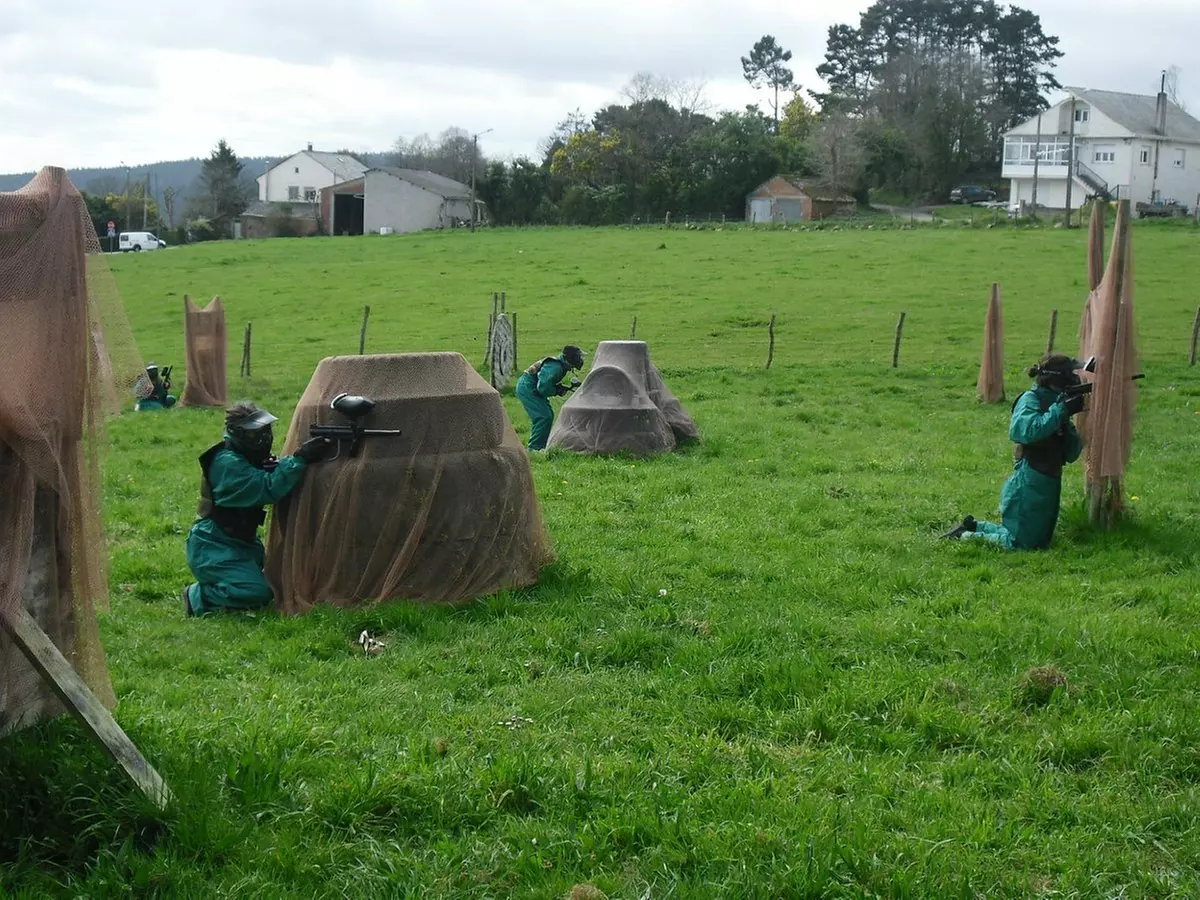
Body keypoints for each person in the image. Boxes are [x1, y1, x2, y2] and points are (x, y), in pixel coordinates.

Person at [183, 402, 332, 616]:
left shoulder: (246, 457)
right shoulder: (227, 463)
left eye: (264, 431)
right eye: (255, 435)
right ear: (237, 434)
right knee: (257, 593)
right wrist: (300, 458)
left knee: (277, 579)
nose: (263, 439)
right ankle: (198, 596)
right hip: (213, 545)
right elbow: (267, 487)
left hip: (242, 543)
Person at [943, 353, 1086, 550]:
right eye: (1070, 374)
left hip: (1050, 479)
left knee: (1039, 542)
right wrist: (1060, 410)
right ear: (1057, 378)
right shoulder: (1030, 399)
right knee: (1020, 544)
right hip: (1030, 478)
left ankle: (975, 526)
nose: (1074, 378)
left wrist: (1067, 419)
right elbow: (1026, 431)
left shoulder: (1055, 403)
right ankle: (966, 536)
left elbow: (1071, 454)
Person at [515, 344, 585, 451]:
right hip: (528, 387)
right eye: (578, 357)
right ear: (571, 359)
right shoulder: (555, 367)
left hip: (531, 386)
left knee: (547, 415)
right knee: (543, 417)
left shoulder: (560, 365)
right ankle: (535, 448)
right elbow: (543, 388)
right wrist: (556, 390)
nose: (580, 359)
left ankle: (541, 446)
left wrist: (558, 388)